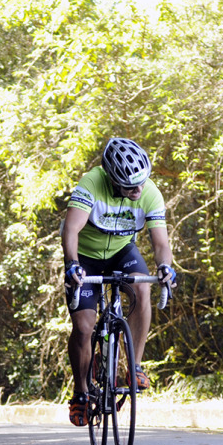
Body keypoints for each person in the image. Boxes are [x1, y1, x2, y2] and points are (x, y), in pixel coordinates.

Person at [62, 137, 176, 427]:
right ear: (111, 179)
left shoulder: (149, 191)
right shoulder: (91, 183)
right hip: (86, 257)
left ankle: (135, 365)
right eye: (129, 186)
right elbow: (71, 230)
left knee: (142, 285)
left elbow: (160, 242)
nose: (138, 190)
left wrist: (165, 267)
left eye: (141, 183)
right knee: (84, 327)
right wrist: (72, 263)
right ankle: (81, 393)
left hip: (122, 251)